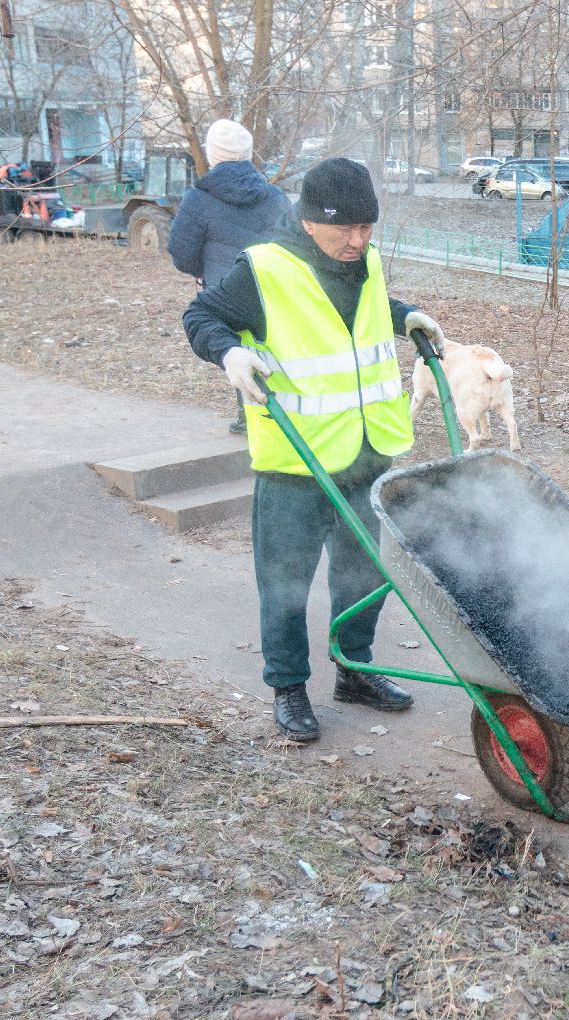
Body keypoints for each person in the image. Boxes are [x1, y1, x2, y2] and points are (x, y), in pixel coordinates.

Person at [182, 157, 445, 744]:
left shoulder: (366, 261)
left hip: (365, 456)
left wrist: (406, 318)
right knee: (285, 583)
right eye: (343, 230)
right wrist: (228, 352)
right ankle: (289, 687)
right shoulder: (265, 269)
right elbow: (202, 315)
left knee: (364, 576)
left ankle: (355, 671)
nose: (356, 242)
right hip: (295, 465)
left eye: (366, 228)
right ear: (308, 220)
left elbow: (361, 315)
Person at [168, 119, 291, 434]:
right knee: (275, 349)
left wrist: (201, 270)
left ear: (213, 155)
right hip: (274, 288)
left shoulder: (198, 198)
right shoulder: (275, 197)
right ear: (249, 154)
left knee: (236, 350)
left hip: (224, 290)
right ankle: (277, 414)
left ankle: (252, 418)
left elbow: (181, 251)